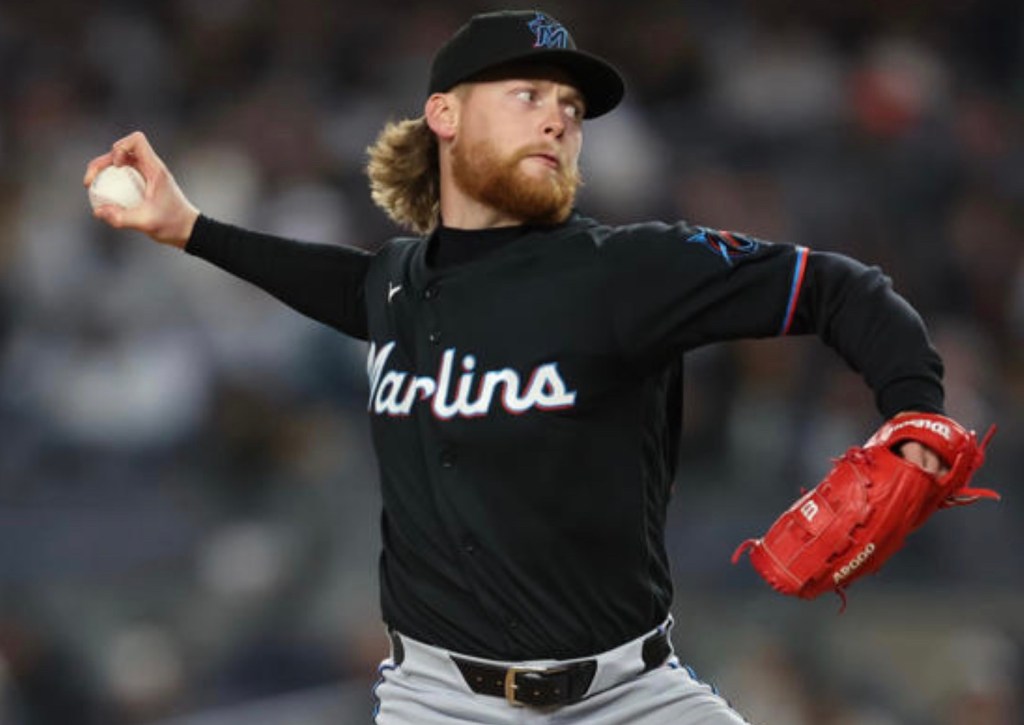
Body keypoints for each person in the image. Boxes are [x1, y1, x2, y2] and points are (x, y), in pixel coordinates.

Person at [84, 10, 951, 724]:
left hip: (630, 695)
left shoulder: (628, 270)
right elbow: (335, 280)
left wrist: (914, 412)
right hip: (437, 701)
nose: (559, 118)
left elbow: (837, 287)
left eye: (571, 106)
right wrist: (189, 228)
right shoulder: (397, 286)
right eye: (528, 94)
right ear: (445, 115)